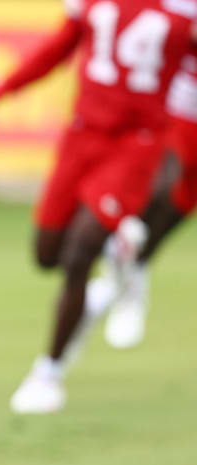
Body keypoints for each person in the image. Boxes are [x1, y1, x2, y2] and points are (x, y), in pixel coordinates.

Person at [0, 0, 197, 414]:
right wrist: (3, 86)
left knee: (80, 252)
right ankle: (123, 248)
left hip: (137, 141)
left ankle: (48, 373)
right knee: (47, 255)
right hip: (82, 134)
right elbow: (59, 47)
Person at [97, 53, 197, 349]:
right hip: (175, 108)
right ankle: (119, 249)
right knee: (160, 186)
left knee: (178, 207)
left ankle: (134, 267)